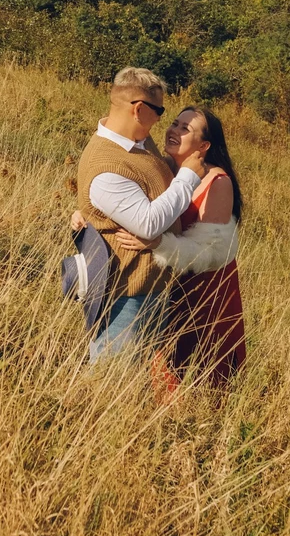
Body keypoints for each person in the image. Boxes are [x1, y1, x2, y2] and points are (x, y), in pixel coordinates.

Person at [75, 67, 208, 364]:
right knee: (110, 384)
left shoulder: (139, 142)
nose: (162, 118)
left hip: (153, 287)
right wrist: (188, 177)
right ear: (138, 109)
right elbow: (148, 224)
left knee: (135, 386)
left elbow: (148, 183)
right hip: (127, 295)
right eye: (159, 110)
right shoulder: (106, 165)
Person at [113, 106, 246, 387]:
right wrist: (88, 215)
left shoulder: (217, 182)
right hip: (165, 283)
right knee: (158, 363)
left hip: (205, 290)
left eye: (186, 129)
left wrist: (157, 243)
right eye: (174, 123)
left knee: (200, 368)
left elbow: (208, 252)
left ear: (204, 145)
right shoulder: (161, 167)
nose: (174, 130)